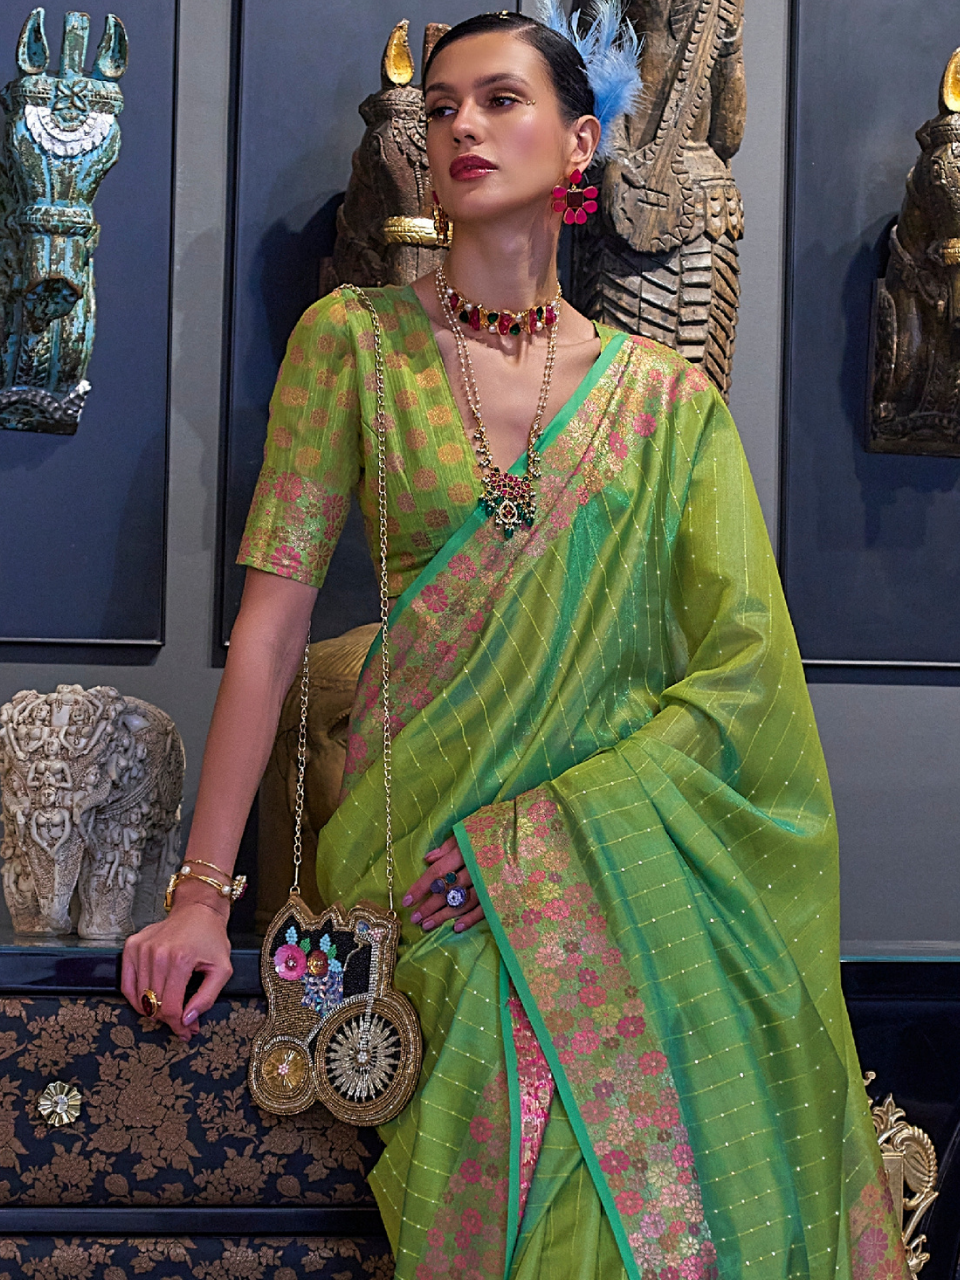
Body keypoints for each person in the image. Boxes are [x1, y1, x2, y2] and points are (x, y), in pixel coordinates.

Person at [122, 7, 909, 1278]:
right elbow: (267, 635)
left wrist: (536, 845)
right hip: (416, 865)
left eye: (499, 100)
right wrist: (203, 899)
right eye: (441, 109)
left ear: (581, 143)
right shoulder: (354, 346)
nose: (461, 129)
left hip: (608, 860)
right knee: (503, 1052)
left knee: (730, 1046)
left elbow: (741, 680)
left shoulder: (665, 406)